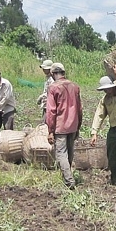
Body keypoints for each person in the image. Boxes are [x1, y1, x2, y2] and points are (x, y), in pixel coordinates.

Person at [46, 62, 82, 190]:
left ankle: (69, 180)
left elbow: (51, 111)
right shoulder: (75, 86)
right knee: (70, 151)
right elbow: (79, 108)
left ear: (53, 73)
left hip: (60, 126)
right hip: (73, 124)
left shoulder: (53, 87)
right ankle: (67, 175)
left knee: (61, 153)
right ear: (64, 73)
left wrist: (50, 130)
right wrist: (79, 125)